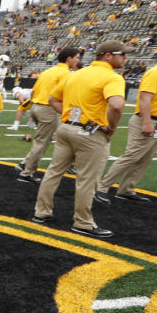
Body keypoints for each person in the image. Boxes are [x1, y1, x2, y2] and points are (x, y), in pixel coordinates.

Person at [33, 40, 128, 238]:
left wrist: (68, 117)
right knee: (86, 179)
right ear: (108, 56)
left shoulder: (76, 74)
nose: (125, 58)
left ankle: (41, 212)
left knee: (53, 172)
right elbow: (117, 106)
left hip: (66, 128)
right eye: (122, 54)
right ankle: (83, 222)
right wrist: (111, 127)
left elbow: (53, 99)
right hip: (91, 133)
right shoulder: (112, 77)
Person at [95, 43, 157, 202]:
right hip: (148, 120)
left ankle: (126, 189)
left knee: (145, 158)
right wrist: (147, 122)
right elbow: (145, 98)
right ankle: (102, 186)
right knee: (132, 156)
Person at [16, 47, 82, 184]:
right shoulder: (66, 74)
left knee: (51, 138)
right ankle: (26, 173)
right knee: (42, 143)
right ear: (69, 58)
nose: (78, 60)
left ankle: (25, 164)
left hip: (36, 107)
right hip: (48, 109)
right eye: (77, 57)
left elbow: (33, 92)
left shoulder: (48, 71)